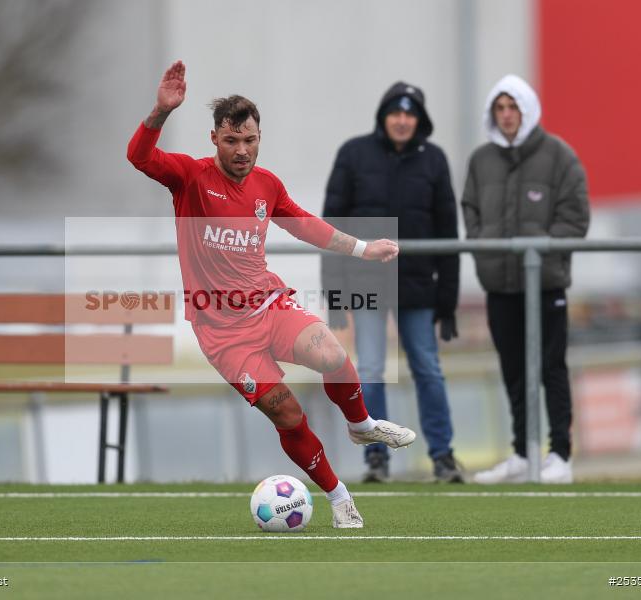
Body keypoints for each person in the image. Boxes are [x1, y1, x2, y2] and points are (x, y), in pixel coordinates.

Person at [128, 61, 416, 528]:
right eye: (231, 141)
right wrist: (160, 112)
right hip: (222, 332)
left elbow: (307, 226)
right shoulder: (190, 178)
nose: (242, 151)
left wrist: (364, 249)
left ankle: (362, 426)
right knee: (286, 411)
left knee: (331, 352)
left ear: (259, 137)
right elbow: (139, 157)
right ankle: (339, 497)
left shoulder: (267, 185)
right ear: (214, 140)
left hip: (268, 304)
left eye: (250, 140)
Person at [322, 82, 462, 483]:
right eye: (395, 113)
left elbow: (448, 233)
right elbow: (330, 226)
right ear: (383, 116)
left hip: (416, 287)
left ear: (419, 119)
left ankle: (443, 456)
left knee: (428, 369)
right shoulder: (353, 154)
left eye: (410, 113)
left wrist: (448, 301)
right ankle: (377, 458)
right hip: (364, 283)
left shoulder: (434, 160)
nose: (402, 120)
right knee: (369, 369)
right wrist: (334, 295)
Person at [462, 74, 589, 484]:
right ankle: (521, 452)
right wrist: (485, 246)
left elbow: (575, 217)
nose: (506, 116)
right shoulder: (481, 161)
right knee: (513, 370)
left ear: (527, 109)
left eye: (512, 107)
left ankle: (561, 457)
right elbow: (471, 210)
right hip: (501, 285)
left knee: (551, 367)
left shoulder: (559, 156)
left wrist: (541, 251)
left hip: (546, 284)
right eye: (499, 109)